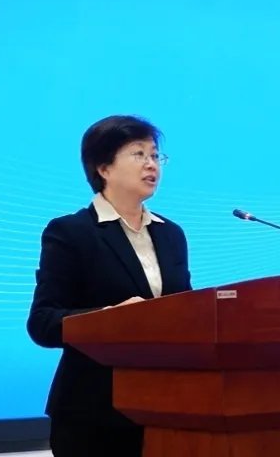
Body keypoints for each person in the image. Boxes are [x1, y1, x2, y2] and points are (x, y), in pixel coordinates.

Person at [27, 115, 192, 457]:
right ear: (104, 168)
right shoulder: (71, 232)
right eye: (138, 154)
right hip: (94, 415)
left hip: (166, 410)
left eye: (155, 155)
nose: (151, 164)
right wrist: (109, 317)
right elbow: (43, 323)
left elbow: (186, 311)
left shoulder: (171, 234)